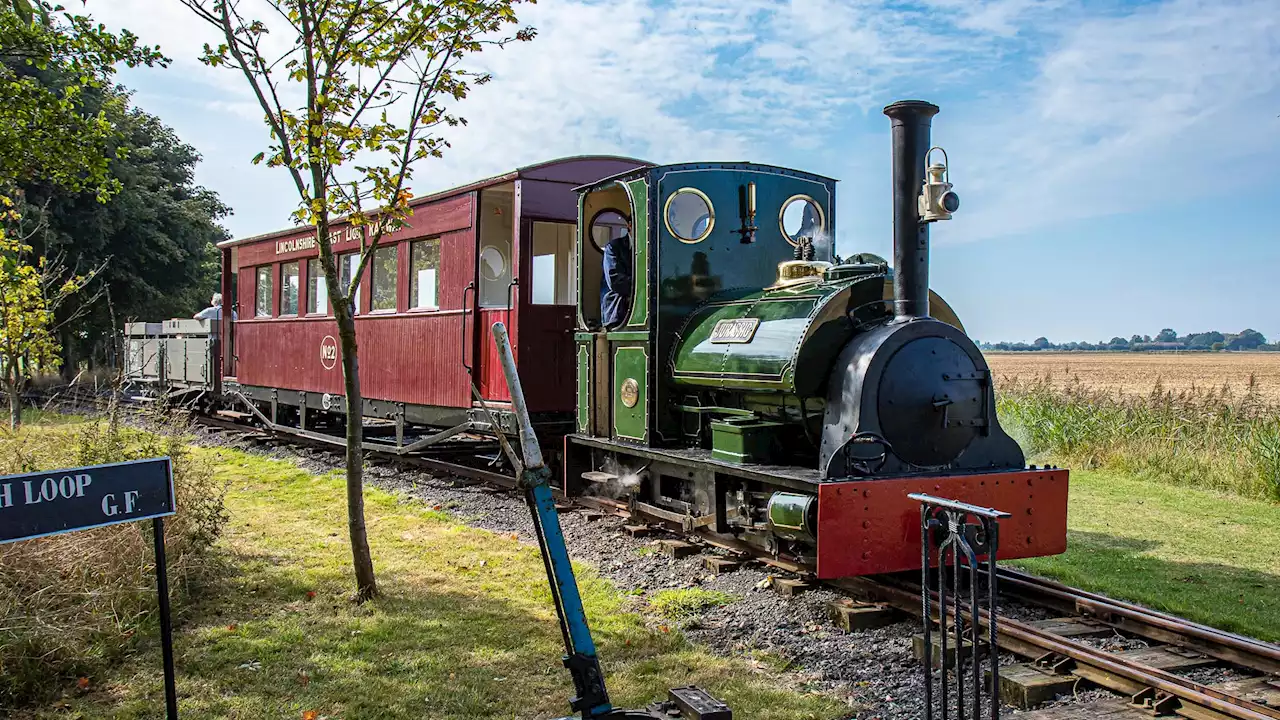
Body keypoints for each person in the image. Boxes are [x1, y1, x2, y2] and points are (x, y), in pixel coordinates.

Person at [600, 219, 633, 329]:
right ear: (630, 225)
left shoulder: (651, 249)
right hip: (617, 310)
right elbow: (615, 282)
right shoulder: (613, 248)